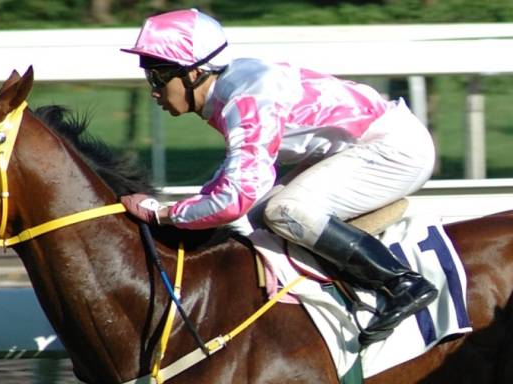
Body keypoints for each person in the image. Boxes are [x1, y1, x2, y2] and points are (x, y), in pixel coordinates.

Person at [119, 8, 438, 344]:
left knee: (285, 212)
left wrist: (165, 214)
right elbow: (236, 178)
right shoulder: (231, 87)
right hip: (360, 147)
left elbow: (233, 199)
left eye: (158, 78)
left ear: (194, 72)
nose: (154, 91)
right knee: (258, 218)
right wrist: (182, 209)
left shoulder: (244, 99)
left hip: (396, 150)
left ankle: (402, 283)